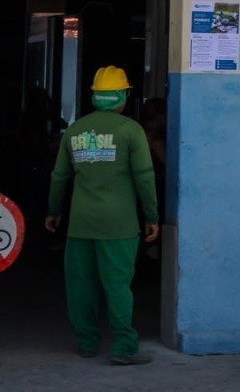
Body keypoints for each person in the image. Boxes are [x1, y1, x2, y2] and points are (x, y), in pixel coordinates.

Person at [45, 66, 159, 364]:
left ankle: (86, 343)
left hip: (80, 223)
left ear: (95, 96)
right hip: (119, 224)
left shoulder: (75, 130)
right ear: (122, 96)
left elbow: (59, 177)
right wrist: (152, 215)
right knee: (117, 284)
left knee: (80, 284)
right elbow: (145, 177)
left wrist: (53, 211)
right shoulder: (130, 131)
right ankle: (123, 347)